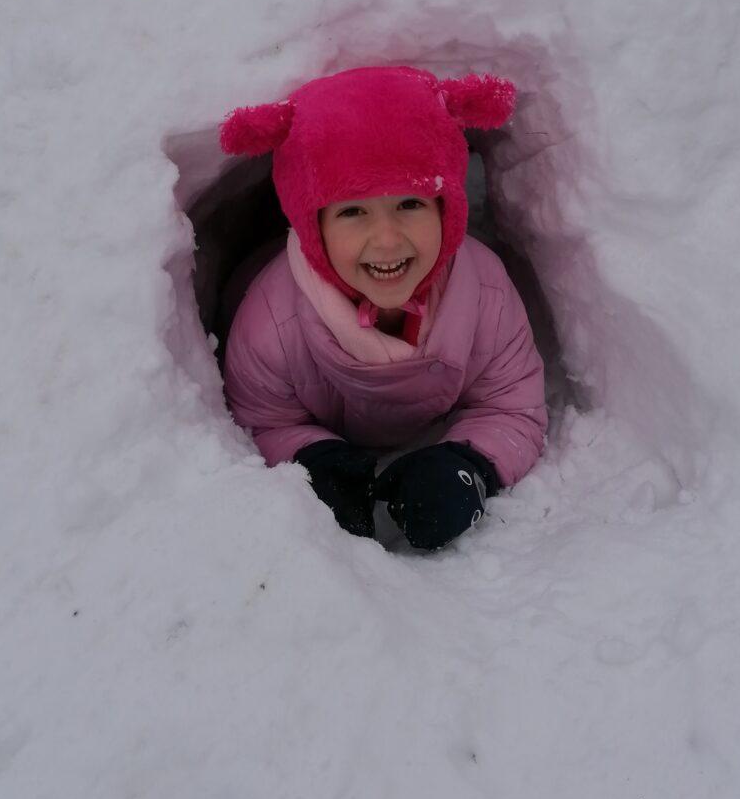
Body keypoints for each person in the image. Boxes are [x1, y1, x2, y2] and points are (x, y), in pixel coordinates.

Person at [219, 66, 548, 552]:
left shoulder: (486, 293)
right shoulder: (270, 326)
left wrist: (469, 464)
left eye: (410, 204)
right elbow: (264, 421)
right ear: (313, 228)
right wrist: (314, 461)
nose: (387, 238)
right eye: (352, 211)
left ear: (447, 209)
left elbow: (513, 404)